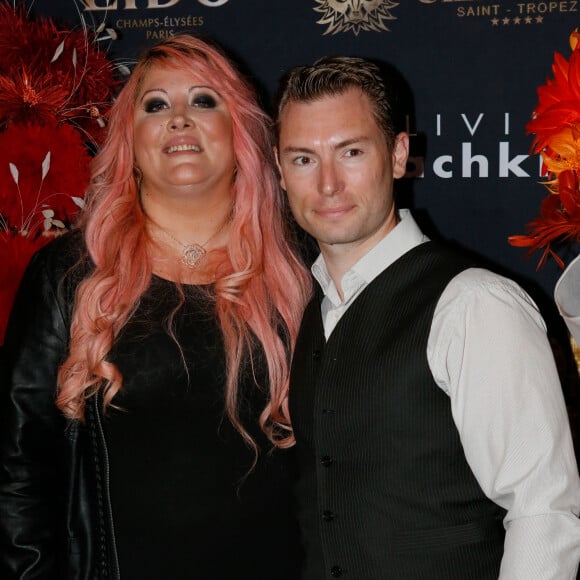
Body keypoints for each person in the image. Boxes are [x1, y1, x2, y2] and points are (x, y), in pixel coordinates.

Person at [0, 35, 312, 580]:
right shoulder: (70, 275)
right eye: (155, 105)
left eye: (204, 100)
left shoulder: (301, 267)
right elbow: (17, 466)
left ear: (239, 129)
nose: (179, 119)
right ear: (129, 138)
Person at [274, 55, 580, 579]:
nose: (327, 184)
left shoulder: (474, 303)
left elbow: (546, 511)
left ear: (397, 155)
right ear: (280, 172)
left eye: (350, 152)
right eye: (303, 159)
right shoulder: (311, 311)